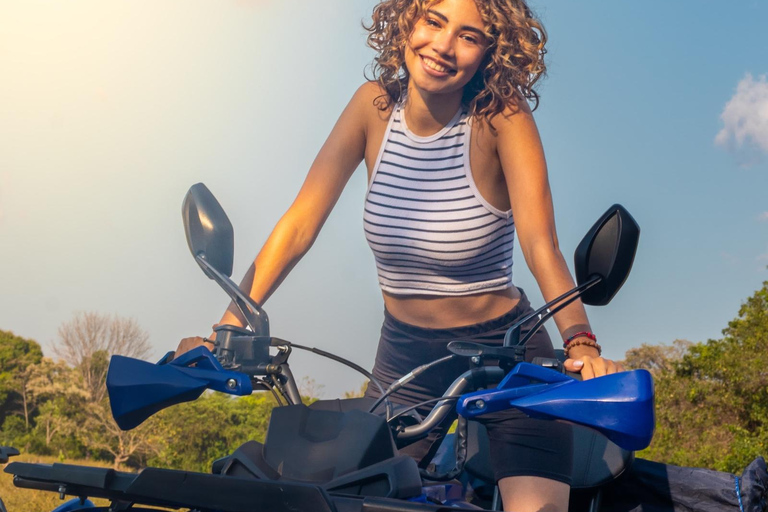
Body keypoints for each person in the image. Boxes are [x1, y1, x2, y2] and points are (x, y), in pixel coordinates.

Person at [176, 0, 624, 510]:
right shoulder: (372, 108)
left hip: (508, 354)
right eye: (434, 21)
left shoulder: (500, 118)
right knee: (348, 498)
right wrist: (227, 329)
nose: (443, 46)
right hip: (405, 356)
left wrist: (581, 343)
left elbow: (541, 244)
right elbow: (300, 224)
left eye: (469, 35)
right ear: (407, 20)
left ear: (490, 52)